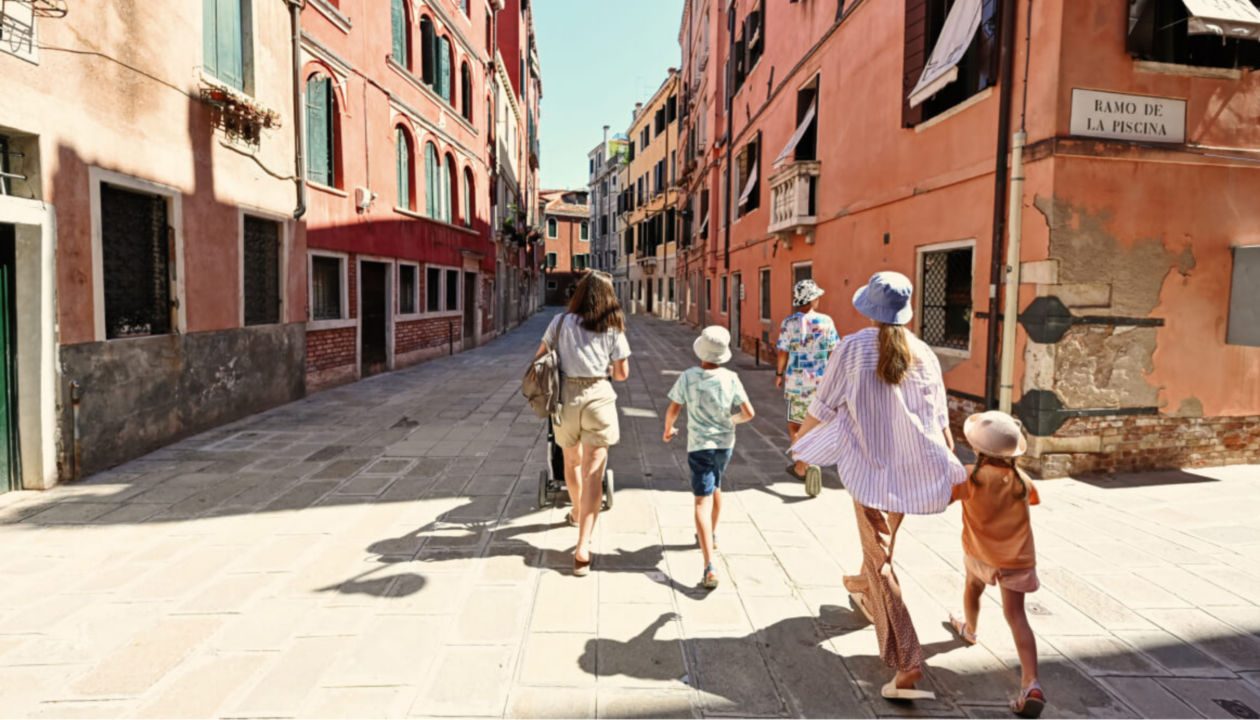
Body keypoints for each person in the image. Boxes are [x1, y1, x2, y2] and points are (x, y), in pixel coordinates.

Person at [792, 271, 966, 702]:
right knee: (880, 552)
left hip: (868, 471)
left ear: (868, 307)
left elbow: (823, 404)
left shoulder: (852, 348)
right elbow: (940, 421)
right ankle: (860, 584)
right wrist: (952, 468)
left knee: (881, 561)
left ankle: (907, 661)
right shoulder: (924, 351)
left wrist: (800, 446)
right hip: (913, 470)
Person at [948, 411, 1045, 719]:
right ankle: (1031, 683)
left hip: (980, 554)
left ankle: (971, 630)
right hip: (1017, 559)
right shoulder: (1021, 479)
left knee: (972, 589)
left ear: (978, 449)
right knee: (1016, 616)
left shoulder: (969, 476)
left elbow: (944, 496)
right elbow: (1034, 499)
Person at [535, 271, 631, 577]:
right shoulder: (613, 327)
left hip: (566, 398)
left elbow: (539, 360)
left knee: (571, 461)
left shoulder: (560, 322)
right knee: (594, 473)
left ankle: (576, 511)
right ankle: (583, 547)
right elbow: (621, 375)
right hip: (599, 398)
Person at [663, 326, 755, 590]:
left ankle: (709, 566)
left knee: (700, 502)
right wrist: (731, 421)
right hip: (725, 445)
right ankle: (711, 535)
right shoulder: (732, 378)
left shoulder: (689, 376)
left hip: (699, 446)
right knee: (716, 485)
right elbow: (749, 412)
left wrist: (668, 429)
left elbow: (673, 408)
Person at [775, 279, 839, 496]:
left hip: (796, 381)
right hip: (821, 382)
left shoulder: (789, 323)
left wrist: (778, 374)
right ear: (812, 299)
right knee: (816, 424)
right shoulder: (826, 321)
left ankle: (804, 464)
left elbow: (783, 351)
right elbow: (833, 351)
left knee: (795, 426)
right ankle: (807, 462)